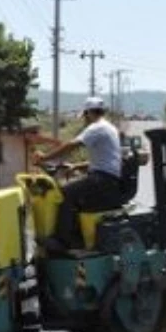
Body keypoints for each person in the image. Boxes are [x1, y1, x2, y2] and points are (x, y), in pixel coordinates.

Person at [34, 97, 124, 250]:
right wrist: (76, 166)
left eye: (85, 115)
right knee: (75, 197)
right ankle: (76, 239)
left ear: (89, 113)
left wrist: (45, 157)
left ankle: (61, 241)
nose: (85, 119)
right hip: (108, 178)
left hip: (103, 179)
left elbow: (72, 145)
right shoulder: (109, 127)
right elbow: (105, 160)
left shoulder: (96, 127)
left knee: (64, 194)